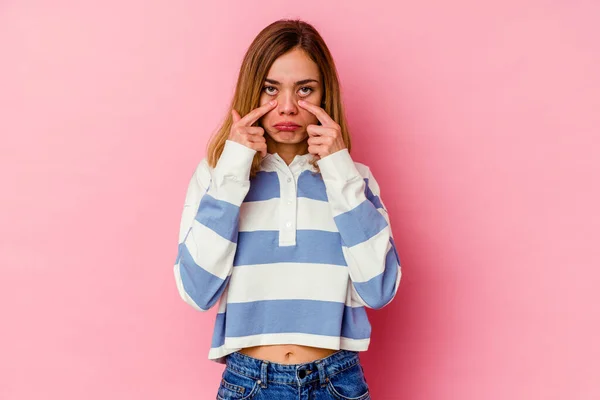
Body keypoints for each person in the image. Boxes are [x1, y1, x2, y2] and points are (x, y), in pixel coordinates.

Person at [173, 18, 401, 399]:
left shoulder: (352, 179)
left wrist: (339, 170)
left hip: (336, 382)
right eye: (270, 89)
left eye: (305, 90)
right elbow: (197, 291)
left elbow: (380, 289)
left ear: (325, 95)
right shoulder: (219, 175)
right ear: (252, 91)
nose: (288, 107)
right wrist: (233, 169)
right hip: (248, 383)